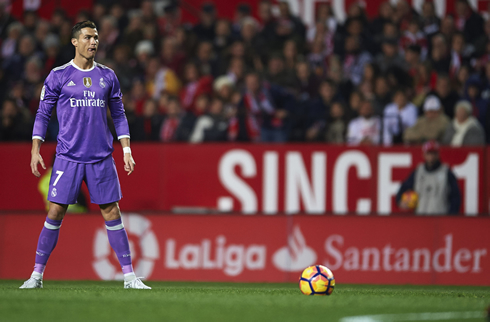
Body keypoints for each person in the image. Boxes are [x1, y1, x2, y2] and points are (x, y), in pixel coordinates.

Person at [20, 21, 150, 289]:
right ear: (75, 42)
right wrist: (35, 151)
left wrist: (126, 149)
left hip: (101, 157)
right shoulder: (58, 75)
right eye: (88, 37)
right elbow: (43, 114)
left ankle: (129, 277)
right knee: (55, 211)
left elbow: (119, 115)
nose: (94, 42)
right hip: (68, 157)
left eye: (96, 38)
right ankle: (36, 275)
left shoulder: (108, 76)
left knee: (112, 212)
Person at [396, 140, 461, 215]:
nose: (431, 157)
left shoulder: (446, 173)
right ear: (424, 154)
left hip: (440, 219)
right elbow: (404, 187)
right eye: (429, 153)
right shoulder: (418, 172)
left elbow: (455, 197)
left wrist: (451, 216)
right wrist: (400, 200)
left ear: (438, 154)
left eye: (433, 153)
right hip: (420, 218)